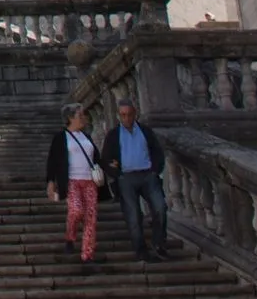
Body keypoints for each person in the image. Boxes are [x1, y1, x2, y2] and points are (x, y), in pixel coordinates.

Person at [100, 99, 170, 261]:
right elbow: (106, 159)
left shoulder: (145, 131)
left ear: (135, 114)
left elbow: (157, 152)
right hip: (126, 177)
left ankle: (159, 242)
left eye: (129, 115)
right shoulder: (113, 135)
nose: (126, 118)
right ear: (119, 116)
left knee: (160, 207)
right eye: (123, 115)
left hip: (147, 175)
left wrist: (154, 171)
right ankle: (140, 249)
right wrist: (117, 173)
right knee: (133, 215)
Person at [45, 104, 103, 265]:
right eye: (81, 115)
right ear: (71, 118)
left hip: (89, 181)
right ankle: (70, 236)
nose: (84, 118)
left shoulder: (87, 137)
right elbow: (53, 161)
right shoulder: (61, 137)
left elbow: (96, 158)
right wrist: (51, 182)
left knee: (90, 217)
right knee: (76, 211)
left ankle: (87, 254)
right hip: (72, 181)